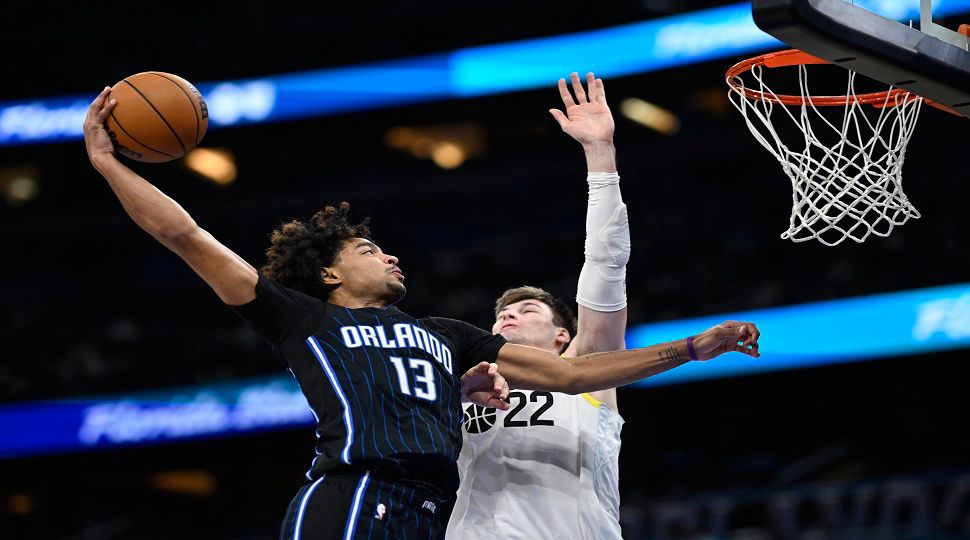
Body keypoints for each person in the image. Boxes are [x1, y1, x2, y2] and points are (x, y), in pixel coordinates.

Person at [82, 79, 761, 539]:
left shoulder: (449, 339)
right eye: (371, 248)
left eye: (526, 315)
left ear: (561, 335)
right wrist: (109, 164)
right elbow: (187, 236)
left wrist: (692, 348)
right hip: (361, 488)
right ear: (327, 271)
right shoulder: (305, 319)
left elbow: (584, 359)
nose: (393, 257)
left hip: (425, 513)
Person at [448, 72, 629, 539]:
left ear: (562, 335)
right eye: (502, 313)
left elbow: (606, 264)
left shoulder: (589, 366)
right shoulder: (462, 382)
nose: (508, 315)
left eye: (528, 310)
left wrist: (599, 154)